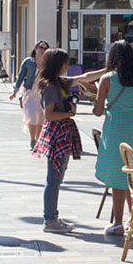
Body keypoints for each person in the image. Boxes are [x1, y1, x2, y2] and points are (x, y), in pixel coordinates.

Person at [32, 48, 102, 234]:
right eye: (64, 63)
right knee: (53, 178)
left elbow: (85, 77)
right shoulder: (51, 87)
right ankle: (49, 219)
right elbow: (49, 115)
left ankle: (53, 216)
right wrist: (70, 112)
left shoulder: (60, 83)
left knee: (57, 177)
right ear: (57, 64)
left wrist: (107, 70)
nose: (67, 66)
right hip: (57, 132)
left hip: (62, 131)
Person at [92, 41, 133, 236]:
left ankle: (118, 223)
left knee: (117, 176)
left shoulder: (107, 79)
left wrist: (98, 97)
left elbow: (98, 112)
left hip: (116, 128)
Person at [10, 40, 50, 149]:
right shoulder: (28, 62)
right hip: (29, 91)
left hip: (42, 92)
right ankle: (33, 139)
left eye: (45, 48)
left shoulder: (48, 64)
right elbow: (21, 76)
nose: (42, 50)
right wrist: (15, 91)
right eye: (41, 48)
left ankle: (39, 140)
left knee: (41, 117)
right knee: (32, 116)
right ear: (35, 49)